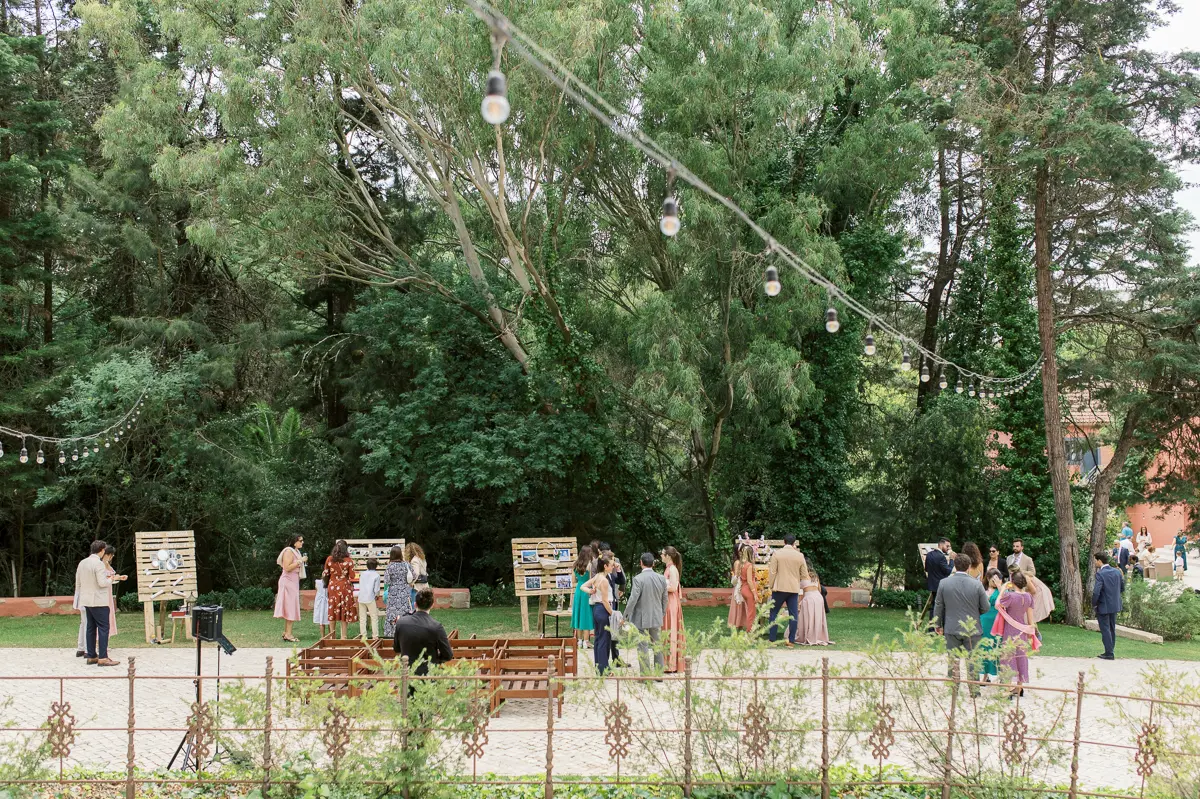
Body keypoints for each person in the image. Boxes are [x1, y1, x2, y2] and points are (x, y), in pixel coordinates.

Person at [934, 553, 990, 696]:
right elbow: (986, 607)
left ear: (954, 565)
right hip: (972, 628)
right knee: (972, 660)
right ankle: (974, 690)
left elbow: (939, 605)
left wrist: (937, 624)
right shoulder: (977, 584)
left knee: (953, 659)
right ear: (969, 567)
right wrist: (975, 613)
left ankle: (953, 688)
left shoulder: (944, 583)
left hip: (951, 626)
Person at [75, 541, 123, 666]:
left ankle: (91, 655)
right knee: (103, 628)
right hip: (98, 600)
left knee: (90, 628)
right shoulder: (98, 564)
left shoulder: (82, 563)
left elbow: (78, 582)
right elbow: (102, 583)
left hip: (86, 600)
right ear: (101, 550)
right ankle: (103, 657)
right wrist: (112, 578)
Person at [393, 588, 453, 686]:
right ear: (432, 605)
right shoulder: (436, 627)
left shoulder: (401, 623)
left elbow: (396, 648)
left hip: (407, 675)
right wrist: (436, 660)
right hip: (428, 677)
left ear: (415, 604)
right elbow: (448, 655)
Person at [623, 552, 668, 673]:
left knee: (642, 646)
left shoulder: (638, 579)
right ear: (653, 564)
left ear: (641, 563)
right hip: (656, 615)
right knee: (657, 644)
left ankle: (645, 674)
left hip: (641, 617)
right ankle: (659, 673)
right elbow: (665, 599)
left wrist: (625, 615)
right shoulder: (661, 578)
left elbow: (633, 600)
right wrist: (662, 613)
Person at [996, 571, 1037, 698]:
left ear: (1012, 582)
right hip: (1022, 630)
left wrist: (1002, 588)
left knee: (1008, 657)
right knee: (1021, 657)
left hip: (1010, 630)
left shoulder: (1010, 596)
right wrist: (1032, 632)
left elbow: (998, 603)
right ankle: (1019, 687)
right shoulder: (1029, 597)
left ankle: (1008, 688)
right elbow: (1030, 619)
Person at [767, 535, 808, 646]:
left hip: (779, 587)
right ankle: (791, 641)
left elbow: (772, 572)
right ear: (794, 542)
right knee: (793, 614)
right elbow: (804, 574)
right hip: (793, 588)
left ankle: (772, 640)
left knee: (774, 613)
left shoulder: (777, 553)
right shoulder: (800, 556)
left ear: (784, 542)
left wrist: (770, 585)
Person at [582, 553, 617, 674]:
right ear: (606, 566)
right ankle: (603, 669)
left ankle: (599, 667)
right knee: (604, 640)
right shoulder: (604, 581)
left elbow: (582, 586)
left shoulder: (597, 576)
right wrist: (613, 613)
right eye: (611, 565)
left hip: (596, 609)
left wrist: (590, 591)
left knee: (598, 639)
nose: (613, 567)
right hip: (603, 609)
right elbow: (605, 601)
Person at [1007, 540, 1054, 623]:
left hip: (1026, 587)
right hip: (1013, 586)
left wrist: (1021, 573)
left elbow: (1032, 572)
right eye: (1014, 546)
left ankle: (1033, 632)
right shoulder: (1009, 558)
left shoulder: (1027, 559)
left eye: (1017, 546)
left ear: (1022, 547)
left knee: (1028, 615)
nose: (1015, 548)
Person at [274, 534, 306, 643]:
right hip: (288, 580)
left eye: (302, 541)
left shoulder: (296, 551)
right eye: (300, 541)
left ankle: (287, 632)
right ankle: (288, 633)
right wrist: (300, 561)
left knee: (290, 606)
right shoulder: (288, 551)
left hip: (294, 580)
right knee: (290, 606)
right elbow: (286, 567)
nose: (302, 542)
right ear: (294, 541)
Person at [1092, 551, 1124, 660]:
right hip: (1114, 604)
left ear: (1099, 561)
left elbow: (1097, 591)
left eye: (1095, 560)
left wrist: (1094, 603)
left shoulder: (1100, 574)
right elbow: (1122, 587)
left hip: (1103, 605)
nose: (1095, 563)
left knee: (1105, 629)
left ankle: (1109, 652)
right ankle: (1110, 650)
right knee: (1112, 628)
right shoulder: (1117, 572)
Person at [600, 543, 627, 668]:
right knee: (606, 633)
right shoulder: (597, 563)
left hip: (614, 599)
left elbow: (622, 579)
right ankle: (603, 663)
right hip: (603, 603)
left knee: (615, 630)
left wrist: (621, 588)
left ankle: (616, 658)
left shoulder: (615, 561)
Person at [324, 541, 357, 639]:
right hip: (344, 587)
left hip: (333, 586)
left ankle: (332, 636)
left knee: (332, 610)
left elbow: (325, 573)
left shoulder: (329, 559)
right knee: (344, 610)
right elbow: (352, 575)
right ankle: (344, 636)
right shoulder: (348, 560)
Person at [662, 546, 686, 672]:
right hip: (668, 602)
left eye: (662, 554)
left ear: (668, 556)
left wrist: (660, 587)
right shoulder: (669, 568)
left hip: (671, 602)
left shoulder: (672, 569)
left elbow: (673, 587)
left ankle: (671, 664)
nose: (661, 555)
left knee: (671, 630)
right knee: (667, 630)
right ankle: (667, 662)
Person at [978, 569, 1004, 683]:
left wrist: (999, 586)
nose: (996, 581)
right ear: (988, 579)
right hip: (983, 620)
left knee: (996, 646)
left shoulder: (1002, 590)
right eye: (994, 579)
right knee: (984, 647)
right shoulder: (982, 589)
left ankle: (1002, 675)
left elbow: (1006, 600)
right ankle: (985, 675)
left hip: (996, 620)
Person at [383, 545, 414, 638]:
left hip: (393, 594)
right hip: (405, 593)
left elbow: (387, 581)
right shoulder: (407, 564)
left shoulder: (390, 566)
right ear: (401, 554)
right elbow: (414, 575)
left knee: (392, 614)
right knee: (405, 613)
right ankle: (406, 633)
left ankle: (392, 634)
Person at [796, 567, 832, 646]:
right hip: (818, 597)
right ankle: (817, 635)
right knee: (817, 617)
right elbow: (819, 589)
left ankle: (808, 635)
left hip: (809, 597)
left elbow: (798, 589)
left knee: (808, 617)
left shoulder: (801, 576)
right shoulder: (815, 576)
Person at [727, 544, 757, 633]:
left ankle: (743, 626)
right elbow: (746, 580)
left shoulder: (743, 564)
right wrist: (754, 592)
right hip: (743, 587)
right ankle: (746, 629)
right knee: (747, 610)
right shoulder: (743, 564)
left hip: (743, 587)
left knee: (746, 609)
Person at [570, 546, 594, 648]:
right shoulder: (589, 565)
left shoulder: (575, 565)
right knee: (586, 615)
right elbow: (591, 580)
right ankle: (586, 641)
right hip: (586, 590)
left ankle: (579, 641)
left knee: (578, 615)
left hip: (578, 590)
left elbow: (573, 581)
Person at [925, 539, 953, 619]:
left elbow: (926, 569)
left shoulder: (929, 555)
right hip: (941, 586)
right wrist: (951, 560)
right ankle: (943, 627)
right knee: (943, 607)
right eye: (947, 546)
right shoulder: (941, 557)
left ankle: (931, 628)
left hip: (932, 585)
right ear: (941, 545)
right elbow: (948, 571)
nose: (948, 548)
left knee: (933, 607)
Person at [357, 557, 383, 639]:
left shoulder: (362, 574)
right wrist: (377, 595)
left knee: (362, 618)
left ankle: (363, 635)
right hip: (370, 598)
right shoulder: (377, 575)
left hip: (361, 597)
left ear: (367, 566)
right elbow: (376, 589)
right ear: (376, 566)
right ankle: (375, 636)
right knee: (374, 617)